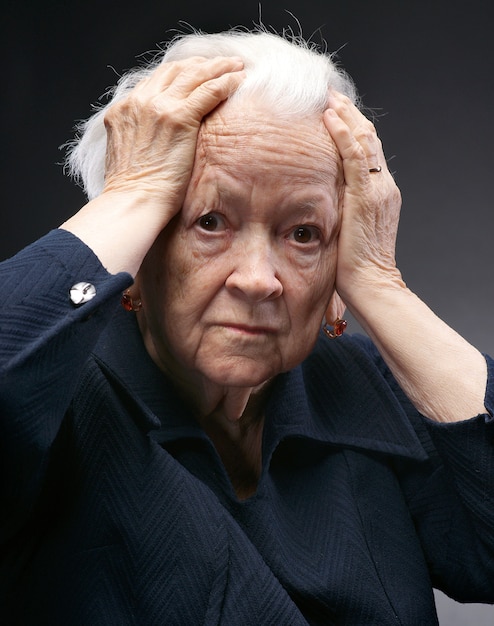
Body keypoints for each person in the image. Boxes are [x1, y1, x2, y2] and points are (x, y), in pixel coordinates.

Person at [1, 26, 493, 625]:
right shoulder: (61, 395)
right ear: (143, 242)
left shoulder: (359, 385)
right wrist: (131, 193)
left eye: (304, 233)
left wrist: (378, 284)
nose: (259, 279)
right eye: (210, 221)